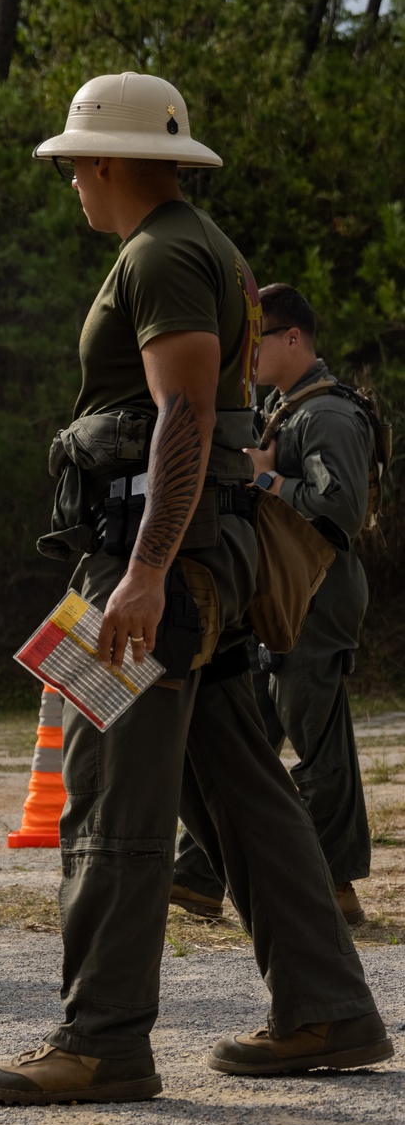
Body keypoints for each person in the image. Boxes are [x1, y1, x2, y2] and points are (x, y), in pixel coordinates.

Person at [0, 72, 393, 1106]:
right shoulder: (200, 246)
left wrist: (147, 571)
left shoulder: (159, 251)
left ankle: (101, 1038)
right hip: (198, 561)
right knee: (242, 793)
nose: (70, 180)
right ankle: (325, 1006)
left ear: (107, 160)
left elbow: (185, 415)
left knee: (107, 788)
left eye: (74, 162)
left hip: (154, 563)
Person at [172, 286, 374, 925]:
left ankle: (335, 885)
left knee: (318, 744)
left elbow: (342, 509)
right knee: (240, 738)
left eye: (258, 339)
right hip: (278, 597)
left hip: (316, 598)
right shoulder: (284, 407)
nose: (247, 352)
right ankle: (198, 877)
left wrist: (263, 475)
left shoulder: (330, 415)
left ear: (294, 339)